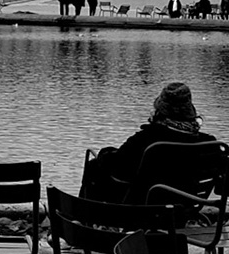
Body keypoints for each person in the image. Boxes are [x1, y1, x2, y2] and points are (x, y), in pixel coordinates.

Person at [79, 82, 217, 201]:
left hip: (142, 207)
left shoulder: (148, 139)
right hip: (184, 206)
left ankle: (87, 219)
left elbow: (118, 167)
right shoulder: (209, 144)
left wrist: (105, 154)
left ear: (160, 110)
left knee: (95, 166)